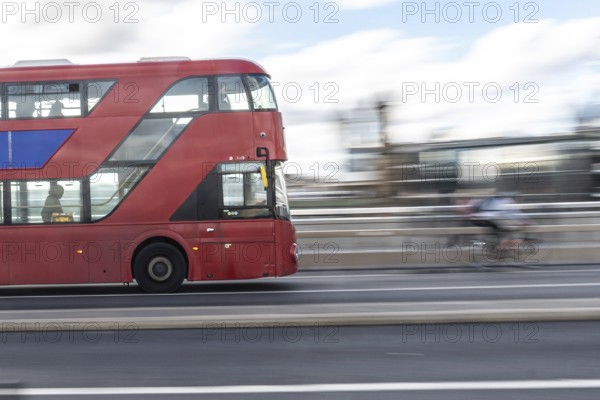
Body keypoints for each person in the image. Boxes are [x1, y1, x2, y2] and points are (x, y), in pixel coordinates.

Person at [466, 192, 533, 248]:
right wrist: (525, 221)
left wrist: (522, 221)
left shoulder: (501, 201)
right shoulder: (508, 201)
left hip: (488, 219)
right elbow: (514, 213)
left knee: (505, 232)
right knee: (507, 231)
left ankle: (500, 247)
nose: (519, 201)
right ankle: (499, 248)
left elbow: (513, 214)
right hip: (491, 219)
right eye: (519, 199)